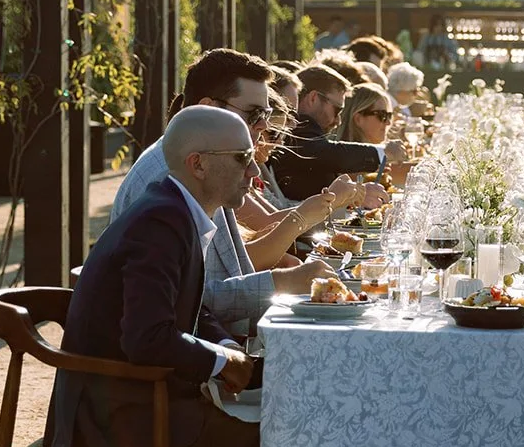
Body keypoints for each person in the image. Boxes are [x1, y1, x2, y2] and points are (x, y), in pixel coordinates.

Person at [50, 107, 287, 447]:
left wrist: (234, 357)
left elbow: (189, 313)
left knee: (274, 438)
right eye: (244, 158)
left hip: (139, 398)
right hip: (122, 413)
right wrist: (221, 363)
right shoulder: (164, 219)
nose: (256, 174)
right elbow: (149, 338)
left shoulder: (178, 211)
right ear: (198, 163)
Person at [113, 49, 344, 333]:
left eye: (267, 114)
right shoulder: (172, 174)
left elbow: (229, 275)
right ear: (208, 107)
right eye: (255, 113)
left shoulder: (209, 159)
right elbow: (190, 301)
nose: (263, 126)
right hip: (176, 361)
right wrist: (280, 282)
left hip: (217, 340)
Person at [270, 63, 386, 201]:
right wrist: (382, 153)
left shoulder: (306, 130)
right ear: (313, 98)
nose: (338, 121)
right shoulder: (300, 127)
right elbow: (324, 152)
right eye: (337, 110)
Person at [338, 83, 407, 165]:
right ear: (358, 119)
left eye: (389, 115)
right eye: (382, 115)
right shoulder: (342, 159)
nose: (388, 122)